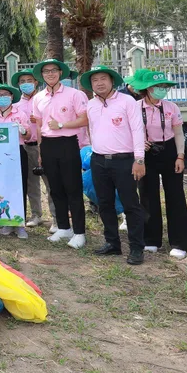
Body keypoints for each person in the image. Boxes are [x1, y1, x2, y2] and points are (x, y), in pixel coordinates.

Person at [76, 66, 146, 265]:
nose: (99, 83)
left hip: (124, 160)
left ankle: (136, 248)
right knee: (104, 203)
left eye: (103, 78)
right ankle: (112, 243)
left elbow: (138, 131)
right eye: (95, 80)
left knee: (131, 204)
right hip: (99, 160)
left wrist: (139, 159)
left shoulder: (127, 101)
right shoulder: (90, 105)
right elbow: (92, 130)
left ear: (112, 81)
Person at [131, 69, 187, 260]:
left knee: (175, 196)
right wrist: (140, 144)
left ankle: (179, 242)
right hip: (146, 154)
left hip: (170, 151)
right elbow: (129, 132)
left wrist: (180, 156)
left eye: (164, 86)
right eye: (157, 87)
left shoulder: (172, 107)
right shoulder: (135, 108)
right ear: (146, 89)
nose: (161, 90)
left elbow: (179, 133)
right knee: (147, 195)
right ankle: (151, 240)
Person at [30, 59, 88, 249]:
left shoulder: (75, 94)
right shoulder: (38, 98)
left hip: (67, 143)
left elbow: (84, 119)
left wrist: (62, 125)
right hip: (47, 145)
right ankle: (64, 227)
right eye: (46, 71)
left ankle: (79, 232)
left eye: (54, 70)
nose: (50, 74)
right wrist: (40, 150)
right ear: (42, 75)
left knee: (73, 188)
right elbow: (39, 125)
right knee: (55, 189)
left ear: (60, 73)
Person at [11, 69, 53, 228]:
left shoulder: (45, 99)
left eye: (29, 80)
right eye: (22, 81)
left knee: (50, 183)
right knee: (31, 183)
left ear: (36, 82)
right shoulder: (15, 106)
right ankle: (36, 214)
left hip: (44, 145)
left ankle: (56, 217)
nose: (26, 84)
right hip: (25, 147)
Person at [0, 83, 29, 239]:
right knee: (2, 188)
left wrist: (23, 130)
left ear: (12, 97)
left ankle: (20, 224)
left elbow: (28, 135)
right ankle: (6, 221)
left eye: (6, 94)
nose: (2, 97)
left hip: (17, 152)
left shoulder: (20, 113)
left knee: (19, 188)